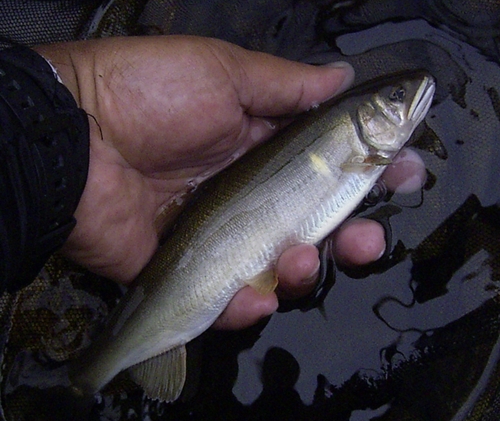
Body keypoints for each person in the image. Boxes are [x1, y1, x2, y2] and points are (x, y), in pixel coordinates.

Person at [0, 34, 426, 330]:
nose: (405, 99)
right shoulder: (358, 145)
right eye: (394, 100)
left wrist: (70, 106)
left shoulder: (361, 146)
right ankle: (99, 372)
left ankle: (107, 365)